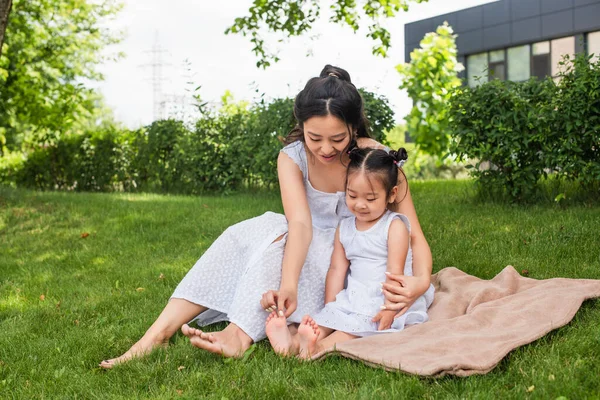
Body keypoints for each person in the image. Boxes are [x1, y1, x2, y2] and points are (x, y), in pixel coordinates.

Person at [99, 65, 433, 368]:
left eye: (338, 139)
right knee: (257, 233)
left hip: (351, 255)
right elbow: (300, 225)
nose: (326, 149)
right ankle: (156, 334)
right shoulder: (292, 158)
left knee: (283, 245)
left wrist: (420, 281)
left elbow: (412, 233)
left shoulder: (376, 162)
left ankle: (238, 335)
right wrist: (288, 283)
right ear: (301, 126)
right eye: (314, 138)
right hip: (308, 242)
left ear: (353, 127)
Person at [265, 147, 433, 359]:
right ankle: (292, 344)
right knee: (332, 319)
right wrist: (330, 308)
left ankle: (319, 348)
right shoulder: (345, 228)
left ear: (392, 195)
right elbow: (337, 269)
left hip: (386, 297)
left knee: (354, 327)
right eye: (352, 196)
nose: (360, 205)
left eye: (370, 199)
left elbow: (395, 274)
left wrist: (390, 309)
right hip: (356, 294)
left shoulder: (394, 226)